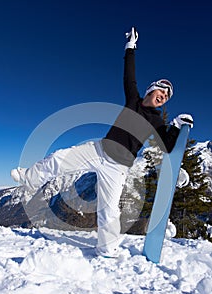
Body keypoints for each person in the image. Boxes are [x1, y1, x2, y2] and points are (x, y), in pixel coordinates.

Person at [11, 27, 194, 258]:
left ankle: (107, 249)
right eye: (162, 91)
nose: (164, 97)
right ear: (151, 90)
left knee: (109, 209)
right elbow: (129, 75)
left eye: (167, 97)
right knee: (58, 159)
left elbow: (167, 146)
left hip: (118, 168)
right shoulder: (133, 100)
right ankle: (28, 178)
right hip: (98, 150)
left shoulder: (157, 121)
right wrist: (130, 47)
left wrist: (177, 126)